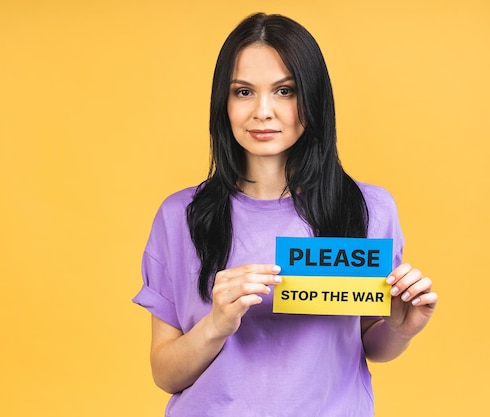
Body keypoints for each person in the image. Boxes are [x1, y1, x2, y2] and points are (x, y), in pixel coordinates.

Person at [132, 12, 437, 417]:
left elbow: (368, 345)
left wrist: (402, 327)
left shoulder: (368, 210)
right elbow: (166, 375)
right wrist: (216, 324)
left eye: (284, 91)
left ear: (312, 98)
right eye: (243, 92)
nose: (262, 111)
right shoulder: (180, 216)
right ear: (223, 103)